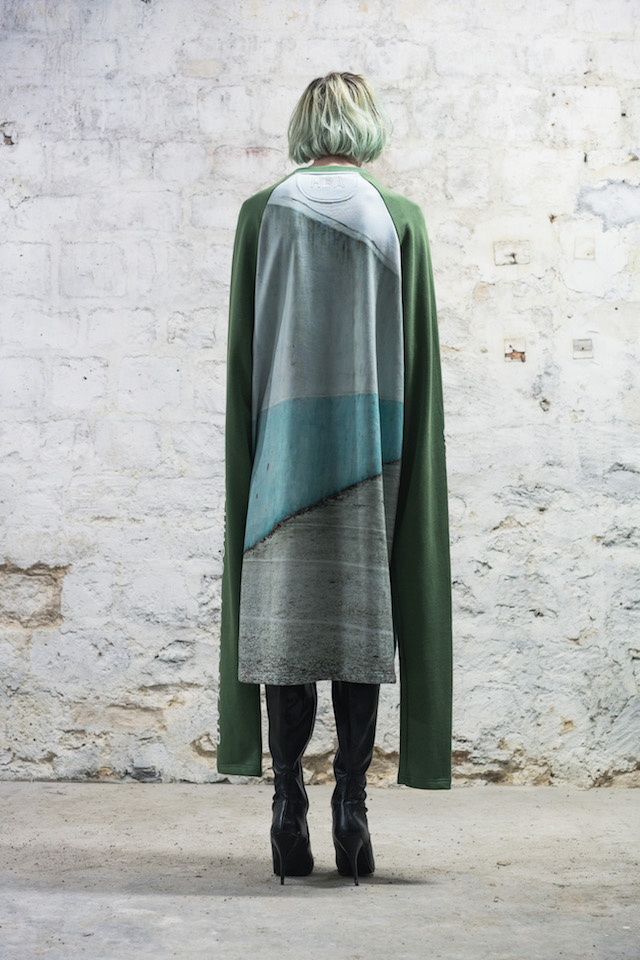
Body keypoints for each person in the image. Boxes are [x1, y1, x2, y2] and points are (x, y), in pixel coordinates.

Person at [216, 72, 452, 885]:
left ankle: (288, 806)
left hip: (281, 462)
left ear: (304, 126)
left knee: (284, 633)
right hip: (371, 458)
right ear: (365, 127)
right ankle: (352, 808)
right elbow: (417, 365)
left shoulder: (261, 213)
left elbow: (244, 357)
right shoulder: (400, 218)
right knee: (359, 624)